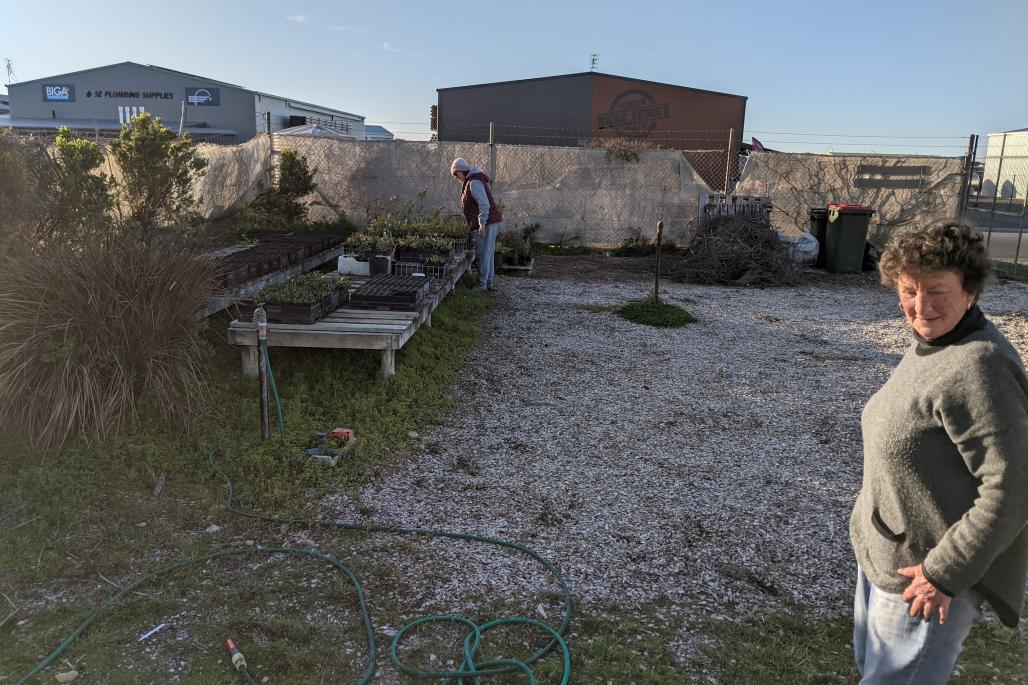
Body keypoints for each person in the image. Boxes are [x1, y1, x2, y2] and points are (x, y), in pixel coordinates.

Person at [850, 220, 1027, 684]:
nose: (919, 307)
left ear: (970, 289)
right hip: (889, 559)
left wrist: (943, 573)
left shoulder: (980, 364)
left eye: (935, 290)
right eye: (907, 290)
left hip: (925, 581)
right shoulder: (934, 345)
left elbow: (1013, 488)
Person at [450, 157, 502, 292]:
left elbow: (484, 204)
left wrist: (482, 224)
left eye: (456, 175)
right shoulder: (474, 180)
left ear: (461, 171)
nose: (456, 178)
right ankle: (488, 282)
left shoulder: (473, 182)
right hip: (492, 222)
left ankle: (482, 283)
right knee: (488, 253)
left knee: (483, 254)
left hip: (487, 223)